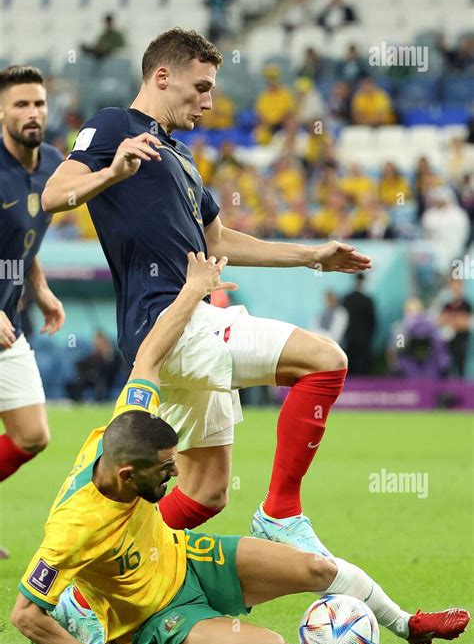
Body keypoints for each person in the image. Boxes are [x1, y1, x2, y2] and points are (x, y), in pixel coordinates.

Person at [11, 254, 470, 644]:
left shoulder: (127, 425)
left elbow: (148, 355)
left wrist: (194, 289)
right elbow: (25, 615)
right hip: (160, 616)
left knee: (316, 569)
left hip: (190, 558)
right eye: (165, 469)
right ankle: (106, 616)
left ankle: (407, 625)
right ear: (128, 475)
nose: (175, 474)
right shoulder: (73, 528)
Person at [41, 28, 371, 557]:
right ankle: (281, 512)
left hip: (192, 316)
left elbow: (219, 241)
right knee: (325, 360)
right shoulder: (114, 125)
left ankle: (95, 582)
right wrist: (112, 167)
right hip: (168, 320)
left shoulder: (182, 158)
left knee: (207, 491)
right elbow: (54, 195)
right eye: (201, 87)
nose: (210, 101)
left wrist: (312, 256)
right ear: (162, 75)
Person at [0, 65, 65, 557]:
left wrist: (39, 286)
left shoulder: (52, 166)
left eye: (38, 103)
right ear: (2, 111)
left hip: (10, 323)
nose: (32, 113)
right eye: (21, 104)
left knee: (32, 434)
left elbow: (27, 235)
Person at [66, 331, 125, 402]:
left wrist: (107, 354)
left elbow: (113, 368)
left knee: (100, 383)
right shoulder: (94, 355)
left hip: (108, 380)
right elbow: (84, 363)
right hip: (94, 378)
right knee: (79, 382)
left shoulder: (113, 355)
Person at [342, 273, 376, 375]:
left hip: (350, 338)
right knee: (362, 368)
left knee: (350, 366)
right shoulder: (368, 300)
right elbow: (373, 322)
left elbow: (342, 319)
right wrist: (369, 336)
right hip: (364, 339)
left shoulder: (347, 299)